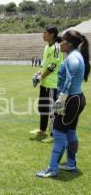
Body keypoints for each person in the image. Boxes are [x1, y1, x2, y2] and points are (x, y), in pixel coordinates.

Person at [36, 30, 89, 178]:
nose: (60, 44)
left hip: (70, 100)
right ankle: (71, 164)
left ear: (69, 44)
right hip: (77, 98)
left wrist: (61, 99)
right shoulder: (75, 55)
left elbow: (70, 79)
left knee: (59, 134)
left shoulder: (73, 58)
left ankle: (52, 168)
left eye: (63, 41)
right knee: (71, 132)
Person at [31, 26, 63, 143]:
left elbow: (52, 66)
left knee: (53, 109)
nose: (43, 34)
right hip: (45, 83)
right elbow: (45, 65)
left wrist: (41, 77)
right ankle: (42, 129)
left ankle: (55, 133)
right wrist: (37, 73)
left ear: (52, 34)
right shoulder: (46, 47)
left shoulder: (56, 47)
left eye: (45, 33)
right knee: (43, 107)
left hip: (52, 84)